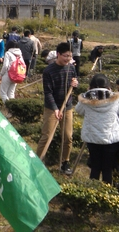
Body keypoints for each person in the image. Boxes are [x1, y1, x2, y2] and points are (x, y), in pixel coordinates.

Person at [36, 42, 79, 175]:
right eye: (66, 56)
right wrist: (55, 109)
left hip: (67, 107)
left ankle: (64, 162)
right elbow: (48, 92)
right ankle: (37, 162)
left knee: (67, 136)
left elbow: (75, 81)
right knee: (47, 135)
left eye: (70, 56)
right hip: (51, 108)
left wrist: (75, 83)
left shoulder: (71, 68)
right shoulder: (49, 71)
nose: (68, 59)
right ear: (58, 54)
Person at [75, 74, 119, 184]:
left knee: (95, 166)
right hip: (111, 137)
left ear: (90, 86)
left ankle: (93, 189)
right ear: (108, 86)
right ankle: (107, 191)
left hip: (93, 137)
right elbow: (118, 111)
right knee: (108, 168)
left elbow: (79, 111)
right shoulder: (115, 98)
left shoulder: (85, 98)